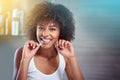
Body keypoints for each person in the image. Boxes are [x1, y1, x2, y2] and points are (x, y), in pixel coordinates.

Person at [13, 1, 84, 80]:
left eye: (52, 29)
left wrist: (72, 57)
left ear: (61, 32)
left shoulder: (64, 56)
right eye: (41, 28)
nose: (45, 34)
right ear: (34, 29)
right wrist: (25, 59)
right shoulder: (22, 53)